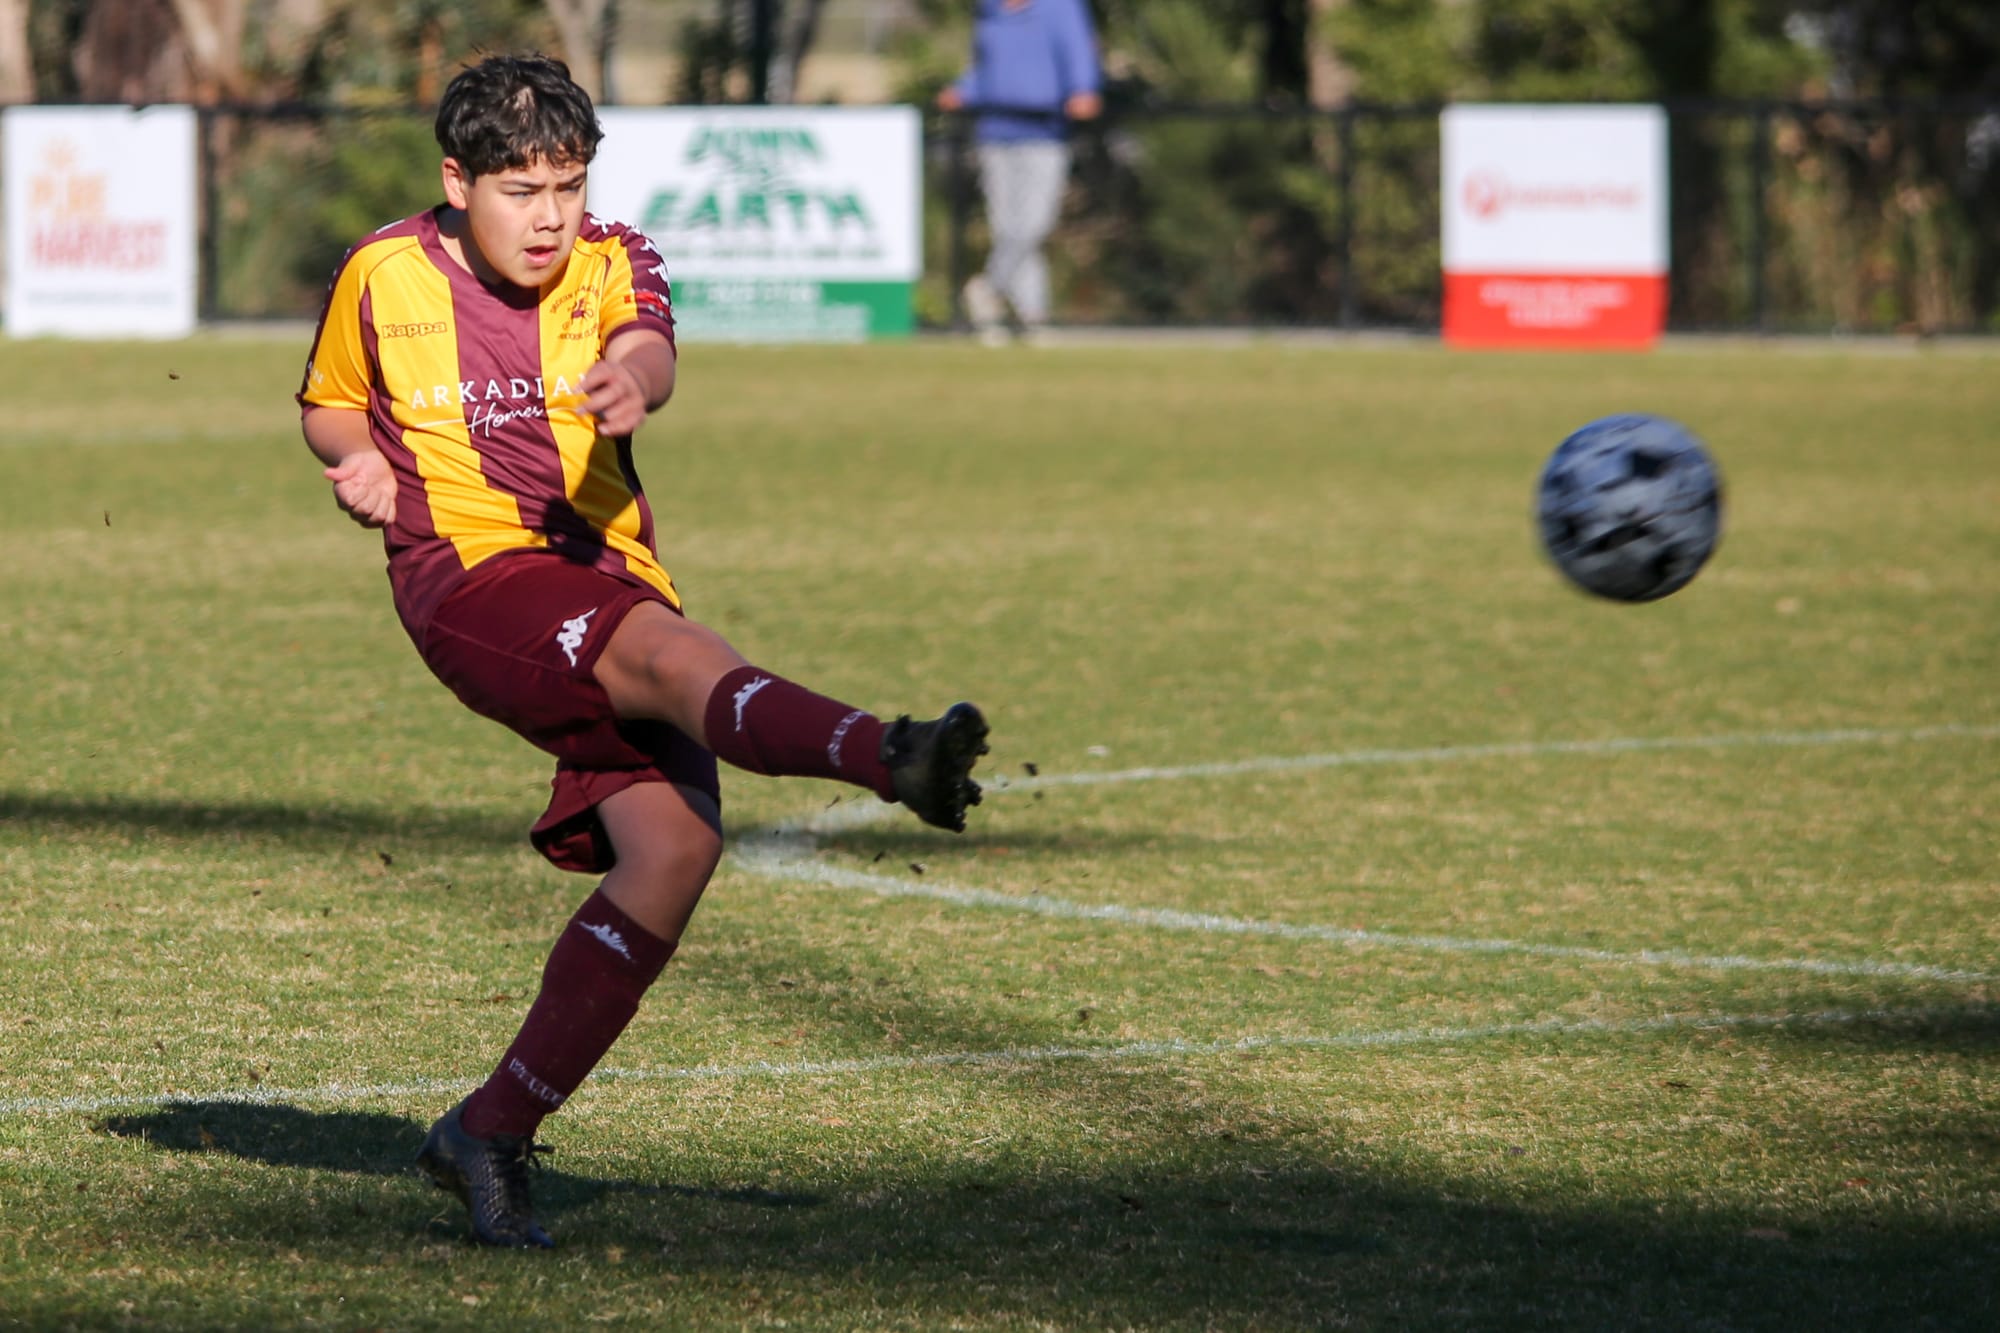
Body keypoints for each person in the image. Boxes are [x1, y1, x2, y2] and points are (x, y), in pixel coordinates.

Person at [297, 53, 988, 1249]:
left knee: (670, 850)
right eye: (523, 189)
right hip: (466, 578)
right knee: (671, 657)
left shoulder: (614, 255)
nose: (551, 215)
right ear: (458, 182)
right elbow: (329, 399)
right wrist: (349, 458)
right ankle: (894, 755)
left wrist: (630, 376)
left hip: (607, 568)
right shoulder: (381, 272)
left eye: (568, 183)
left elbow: (652, 348)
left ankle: (489, 1130)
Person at [936, 0, 1103, 344]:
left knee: (1035, 224)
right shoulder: (989, 11)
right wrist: (963, 91)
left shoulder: (1061, 7)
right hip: (995, 131)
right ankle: (1033, 319)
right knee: (1007, 228)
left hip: (1045, 131)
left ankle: (988, 287)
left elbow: (1077, 50)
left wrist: (1083, 88)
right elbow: (987, 68)